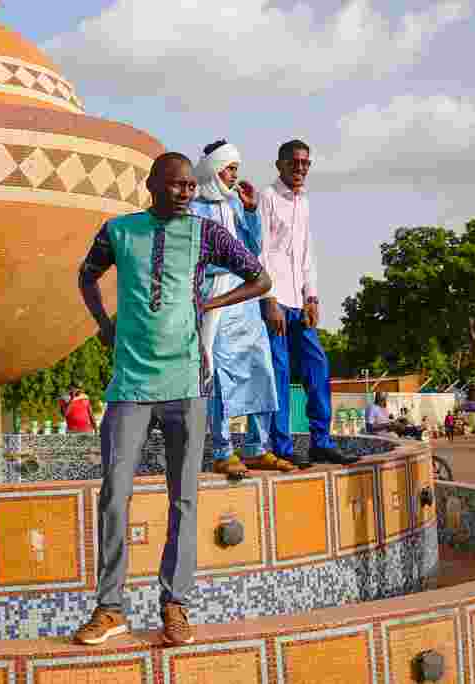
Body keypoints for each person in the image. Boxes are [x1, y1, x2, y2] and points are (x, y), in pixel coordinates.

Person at [75, 152, 272, 646]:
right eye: (176, 185)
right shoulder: (119, 231)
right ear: (152, 185)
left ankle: (174, 602)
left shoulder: (205, 232)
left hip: (187, 383)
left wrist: (210, 302)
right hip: (129, 386)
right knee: (114, 495)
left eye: (189, 186)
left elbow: (260, 277)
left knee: (183, 498)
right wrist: (104, 324)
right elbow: (86, 275)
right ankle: (109, 607)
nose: (185, 193)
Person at [256, 141, 357, 466]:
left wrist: (312, 295)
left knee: (318, 367)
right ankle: (282, 447)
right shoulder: (266, 198)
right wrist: (268, 298)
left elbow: (307, 255)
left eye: (305, 163)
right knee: (280, 374)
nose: (300, 169)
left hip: (300, 302)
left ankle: (321, 441)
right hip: (274, 301)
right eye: (294, 163)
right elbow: (259, 250)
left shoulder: (305, 202)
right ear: (279, 164)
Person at [190, 140, 286, 478]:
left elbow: (253, 248)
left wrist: (249, 210)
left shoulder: (233, 204)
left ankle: (257, 448)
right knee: (217, 373)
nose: (234, 176)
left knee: (260, 367)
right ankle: (222, 450)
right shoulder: (192, 208)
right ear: (214, 169)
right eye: (229, 169)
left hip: (244, 297)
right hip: (214, 297)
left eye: (236, 169)